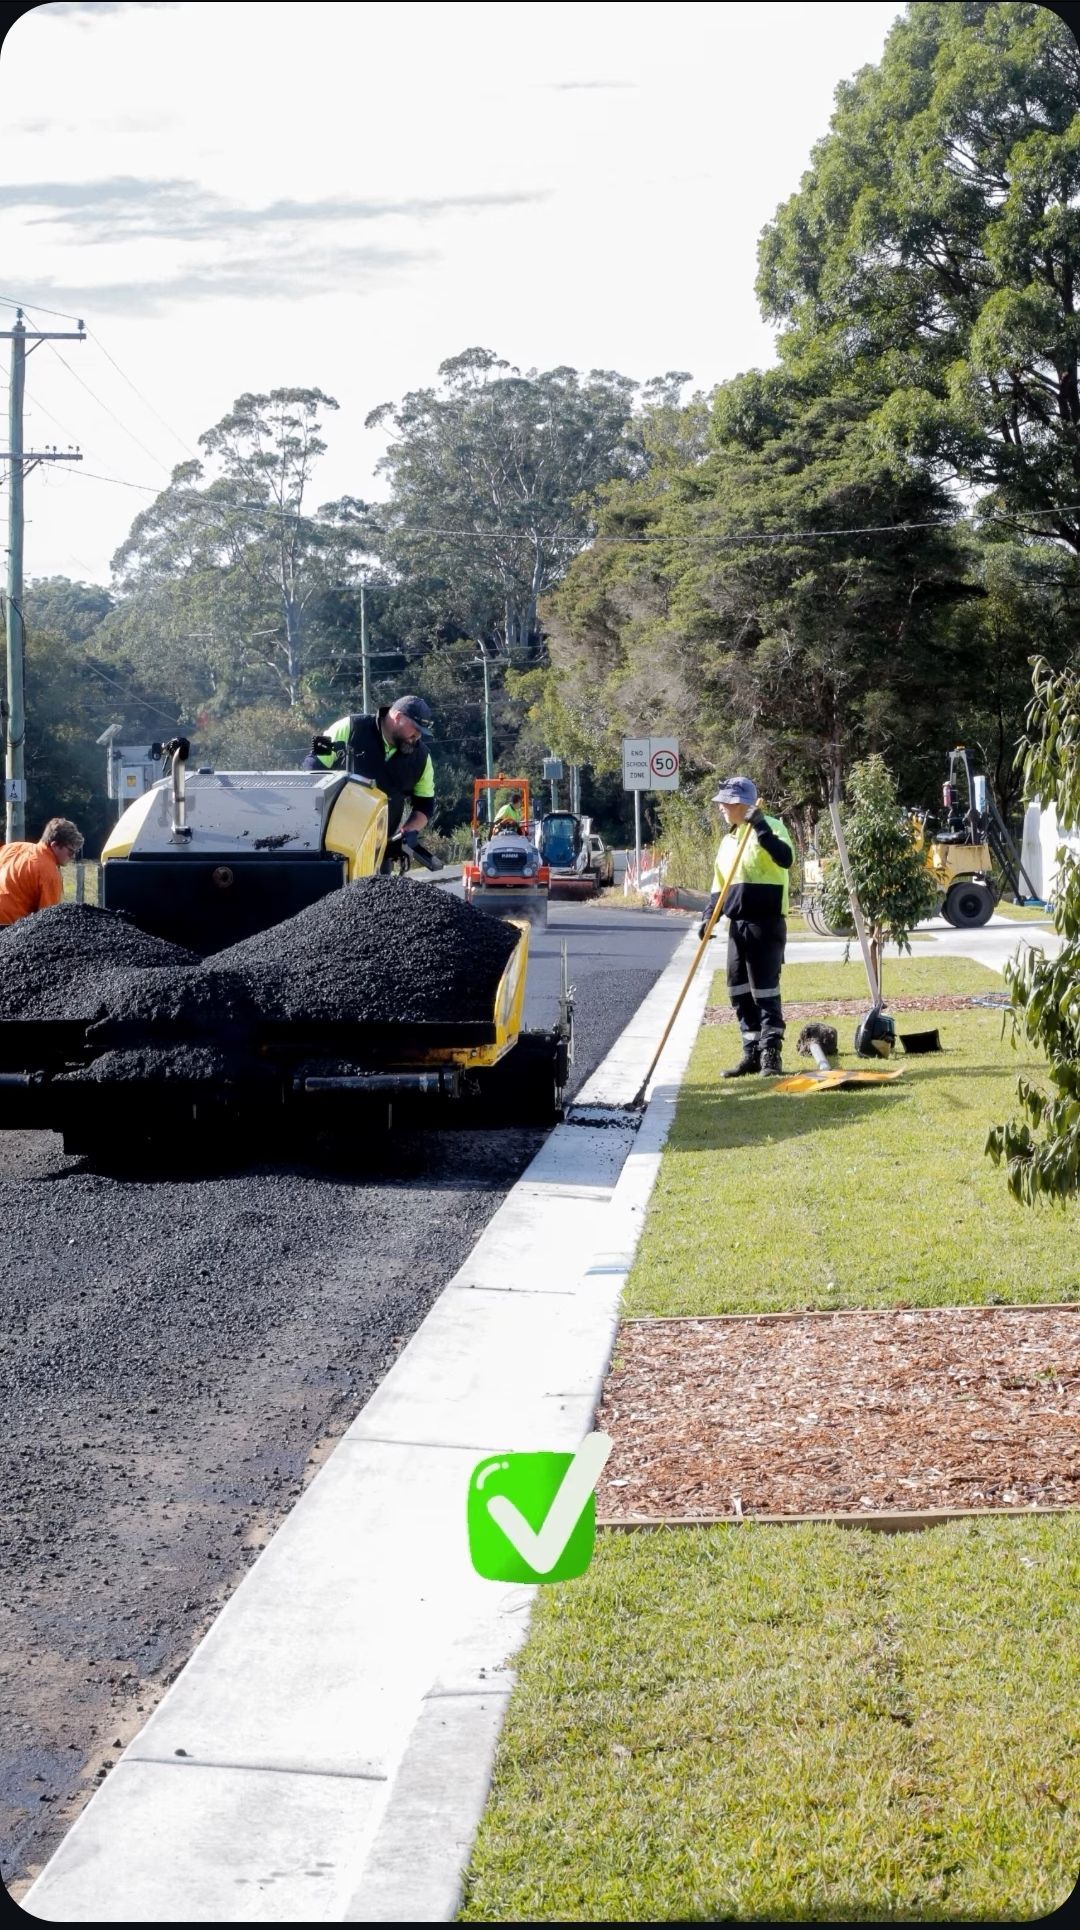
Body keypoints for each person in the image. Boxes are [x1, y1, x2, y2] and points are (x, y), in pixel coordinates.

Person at [699, 777, 794, 1078]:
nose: (722, 808)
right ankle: (751, 1051)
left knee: (764, 991)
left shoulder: (772, 827)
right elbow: (719, 886)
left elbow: (786, 858)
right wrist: (708, 916)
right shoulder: (729, 841)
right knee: (737, 990)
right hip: (737, 925)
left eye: (727, 803)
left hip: (765, 922)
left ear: (743, 804)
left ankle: (771, 1055)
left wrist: (761, 827)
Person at [304, 696, 436, 870]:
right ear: (397, 717)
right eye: (416, 729)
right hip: (331, 852)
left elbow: (425, 805)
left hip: (379, 856)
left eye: (421, 733)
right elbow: (311, 764)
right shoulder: (348, 727)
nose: (417, 737)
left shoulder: (423, 758)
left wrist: (407, 832)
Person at [0, 817, 84, 927]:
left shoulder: (15, 847)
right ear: (54, 845)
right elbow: (47, 921)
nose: (73, 856)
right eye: (71, 851)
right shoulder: (49, 873)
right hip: (8, 927)